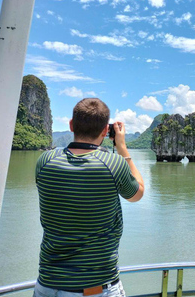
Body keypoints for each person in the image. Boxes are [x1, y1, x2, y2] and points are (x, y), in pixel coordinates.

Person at [34, 98, 144, 297]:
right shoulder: (113, 164)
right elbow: (138, 194)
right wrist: (122, 148)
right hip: (93, 289)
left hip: (46, 286)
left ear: (71, 125)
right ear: (105, 130)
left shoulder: (45, 161)